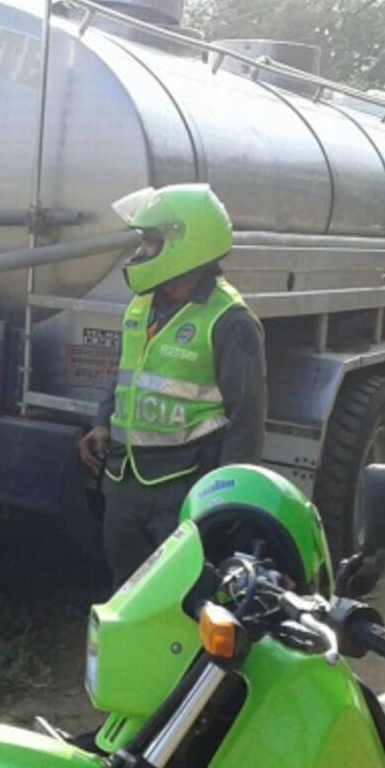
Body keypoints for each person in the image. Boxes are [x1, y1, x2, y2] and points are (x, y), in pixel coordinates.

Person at [77, 184, 267, 585]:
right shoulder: (141, 305)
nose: (141, 251)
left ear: (185, 243)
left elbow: (246, 419)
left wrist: (224, 502)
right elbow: (127, 375)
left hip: (182, 492)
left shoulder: (229, 321)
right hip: (124, 484)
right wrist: (101, 422)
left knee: (184, 602)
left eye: (151, 241)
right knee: (125, 597)